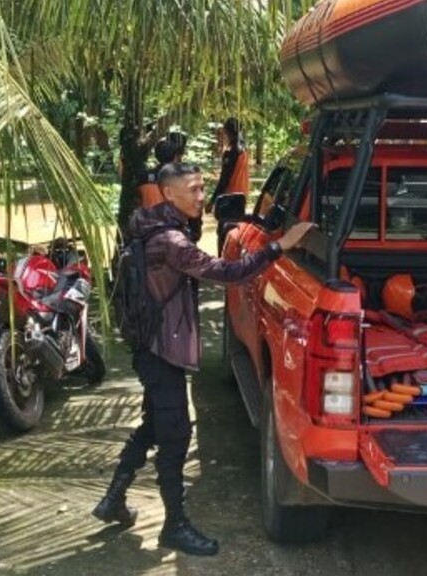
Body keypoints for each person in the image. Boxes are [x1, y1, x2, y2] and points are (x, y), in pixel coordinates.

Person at [93, 163, 313, 556]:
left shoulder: (145, 224)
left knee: (155, 424)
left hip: (149, 346)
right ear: (168, 193)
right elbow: (228, 272)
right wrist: (281, 245)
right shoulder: (172, 242)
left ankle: (113, 500)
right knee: (175, 435)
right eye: (193, 189)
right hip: (162, 351)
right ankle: (174, 525)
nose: (201, 197)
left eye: (202, 188)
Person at [211, 117, 250, 204]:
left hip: (230, 197)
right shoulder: (244, 150)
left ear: (226, 132)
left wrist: (213, 201)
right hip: (242, 196)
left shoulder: (230, 152)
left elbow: (224, 179)